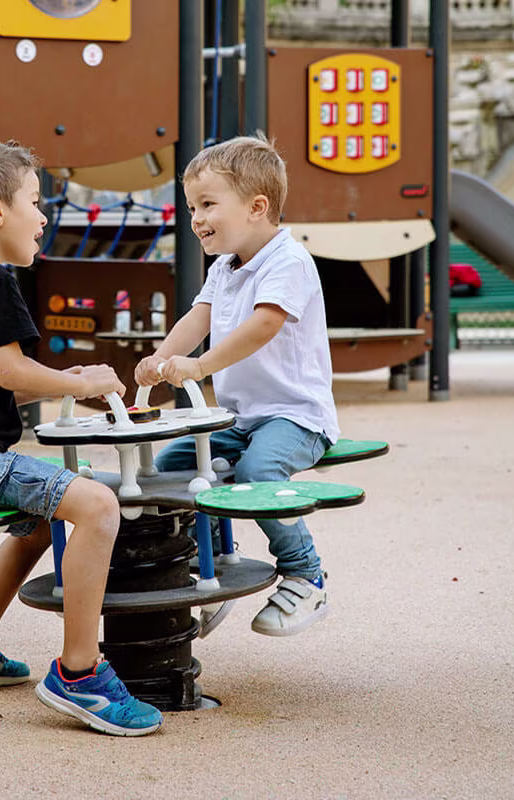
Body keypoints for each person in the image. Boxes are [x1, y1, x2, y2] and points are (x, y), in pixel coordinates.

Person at [0, 139, 162, 737]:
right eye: (35, 202)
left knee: (41, 517)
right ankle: (80, 674)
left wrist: (58, 383)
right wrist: (78, 379)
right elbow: (10, 372)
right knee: (95, 505)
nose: (43, 217)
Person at [135, 133, 340, 638]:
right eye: (191, 207)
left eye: (207, 204)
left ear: (257, 207)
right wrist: (161, 358)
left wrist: (200, 368)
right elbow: (198, 317)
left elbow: (265, 324)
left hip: (296, 416)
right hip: (241, 418)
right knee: (169, 470)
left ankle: (305, 574)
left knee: (257, 470)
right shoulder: (225, 267)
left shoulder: (287, 261)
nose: (196, 218)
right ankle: (202, 565)